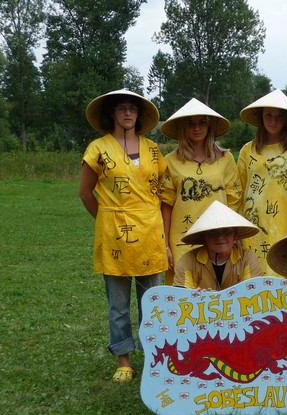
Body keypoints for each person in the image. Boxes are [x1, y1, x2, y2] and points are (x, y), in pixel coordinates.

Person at [79, 89, 167, 384]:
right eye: (121, 108)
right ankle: (124, 360)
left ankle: (153, 357)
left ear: (139, 115)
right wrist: (107, 220)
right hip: (115, 233)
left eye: (132, 108)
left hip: (150, 232)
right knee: (118, 304)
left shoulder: (154, 150)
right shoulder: (98, 149)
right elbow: (85, 192)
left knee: (151, 300)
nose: (127, 113)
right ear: (112, 114)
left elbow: (166, 188)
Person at [160, 97, 241, 285]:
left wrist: (234, 236)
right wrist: (164, 245)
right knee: (184, 295)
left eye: (202, 122)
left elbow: (234, 200)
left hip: (219, 236)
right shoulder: (171, 161)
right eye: (191, 123)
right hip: (182, 238)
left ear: (209, 126)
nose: (197, 128)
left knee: (221, 292)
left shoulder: (225, 159)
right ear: (183, 128)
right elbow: (166, 205)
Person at [237, 89, 287, 275]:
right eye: (268, 115)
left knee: (284, 280)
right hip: (253, 227)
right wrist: (236, 229)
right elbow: (238, 192)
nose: (273, 121)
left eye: (279, 116)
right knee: (252, 279)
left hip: (286, 226)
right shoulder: (246, 151)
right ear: (260, 117)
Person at [173, 200, 262, 290]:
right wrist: (193, 297)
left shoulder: (247, 258)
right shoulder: (188, 260)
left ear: (235, 234)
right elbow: (180, 296)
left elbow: (253, 293)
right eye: (213, 232)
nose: (220, 237)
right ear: (204, 235)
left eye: (227, 231)